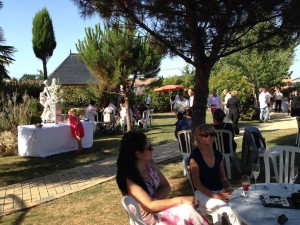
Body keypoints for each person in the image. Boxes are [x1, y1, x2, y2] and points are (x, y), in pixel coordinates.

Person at [116, 131, 210, 225]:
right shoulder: (129, 178)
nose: (153, 149)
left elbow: (166, 187)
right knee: (188, 211)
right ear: (138, 154)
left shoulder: (150, 164)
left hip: (158, 209)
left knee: (189, 210)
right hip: (147, 219)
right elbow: (150, 206)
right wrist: (180, 199)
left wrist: (153, 202)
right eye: (149, 148)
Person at [189, 124, 241, 225]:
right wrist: (215, 195)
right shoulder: (195, 156)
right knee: (228, 210)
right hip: (202, 193)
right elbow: (197, 184)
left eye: (212, 134)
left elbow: (223, 178)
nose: (210, 136)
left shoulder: (217, 154)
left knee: (240, 205)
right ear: (199, 137)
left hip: (219, 190)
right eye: (206, 134)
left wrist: (229, 187)